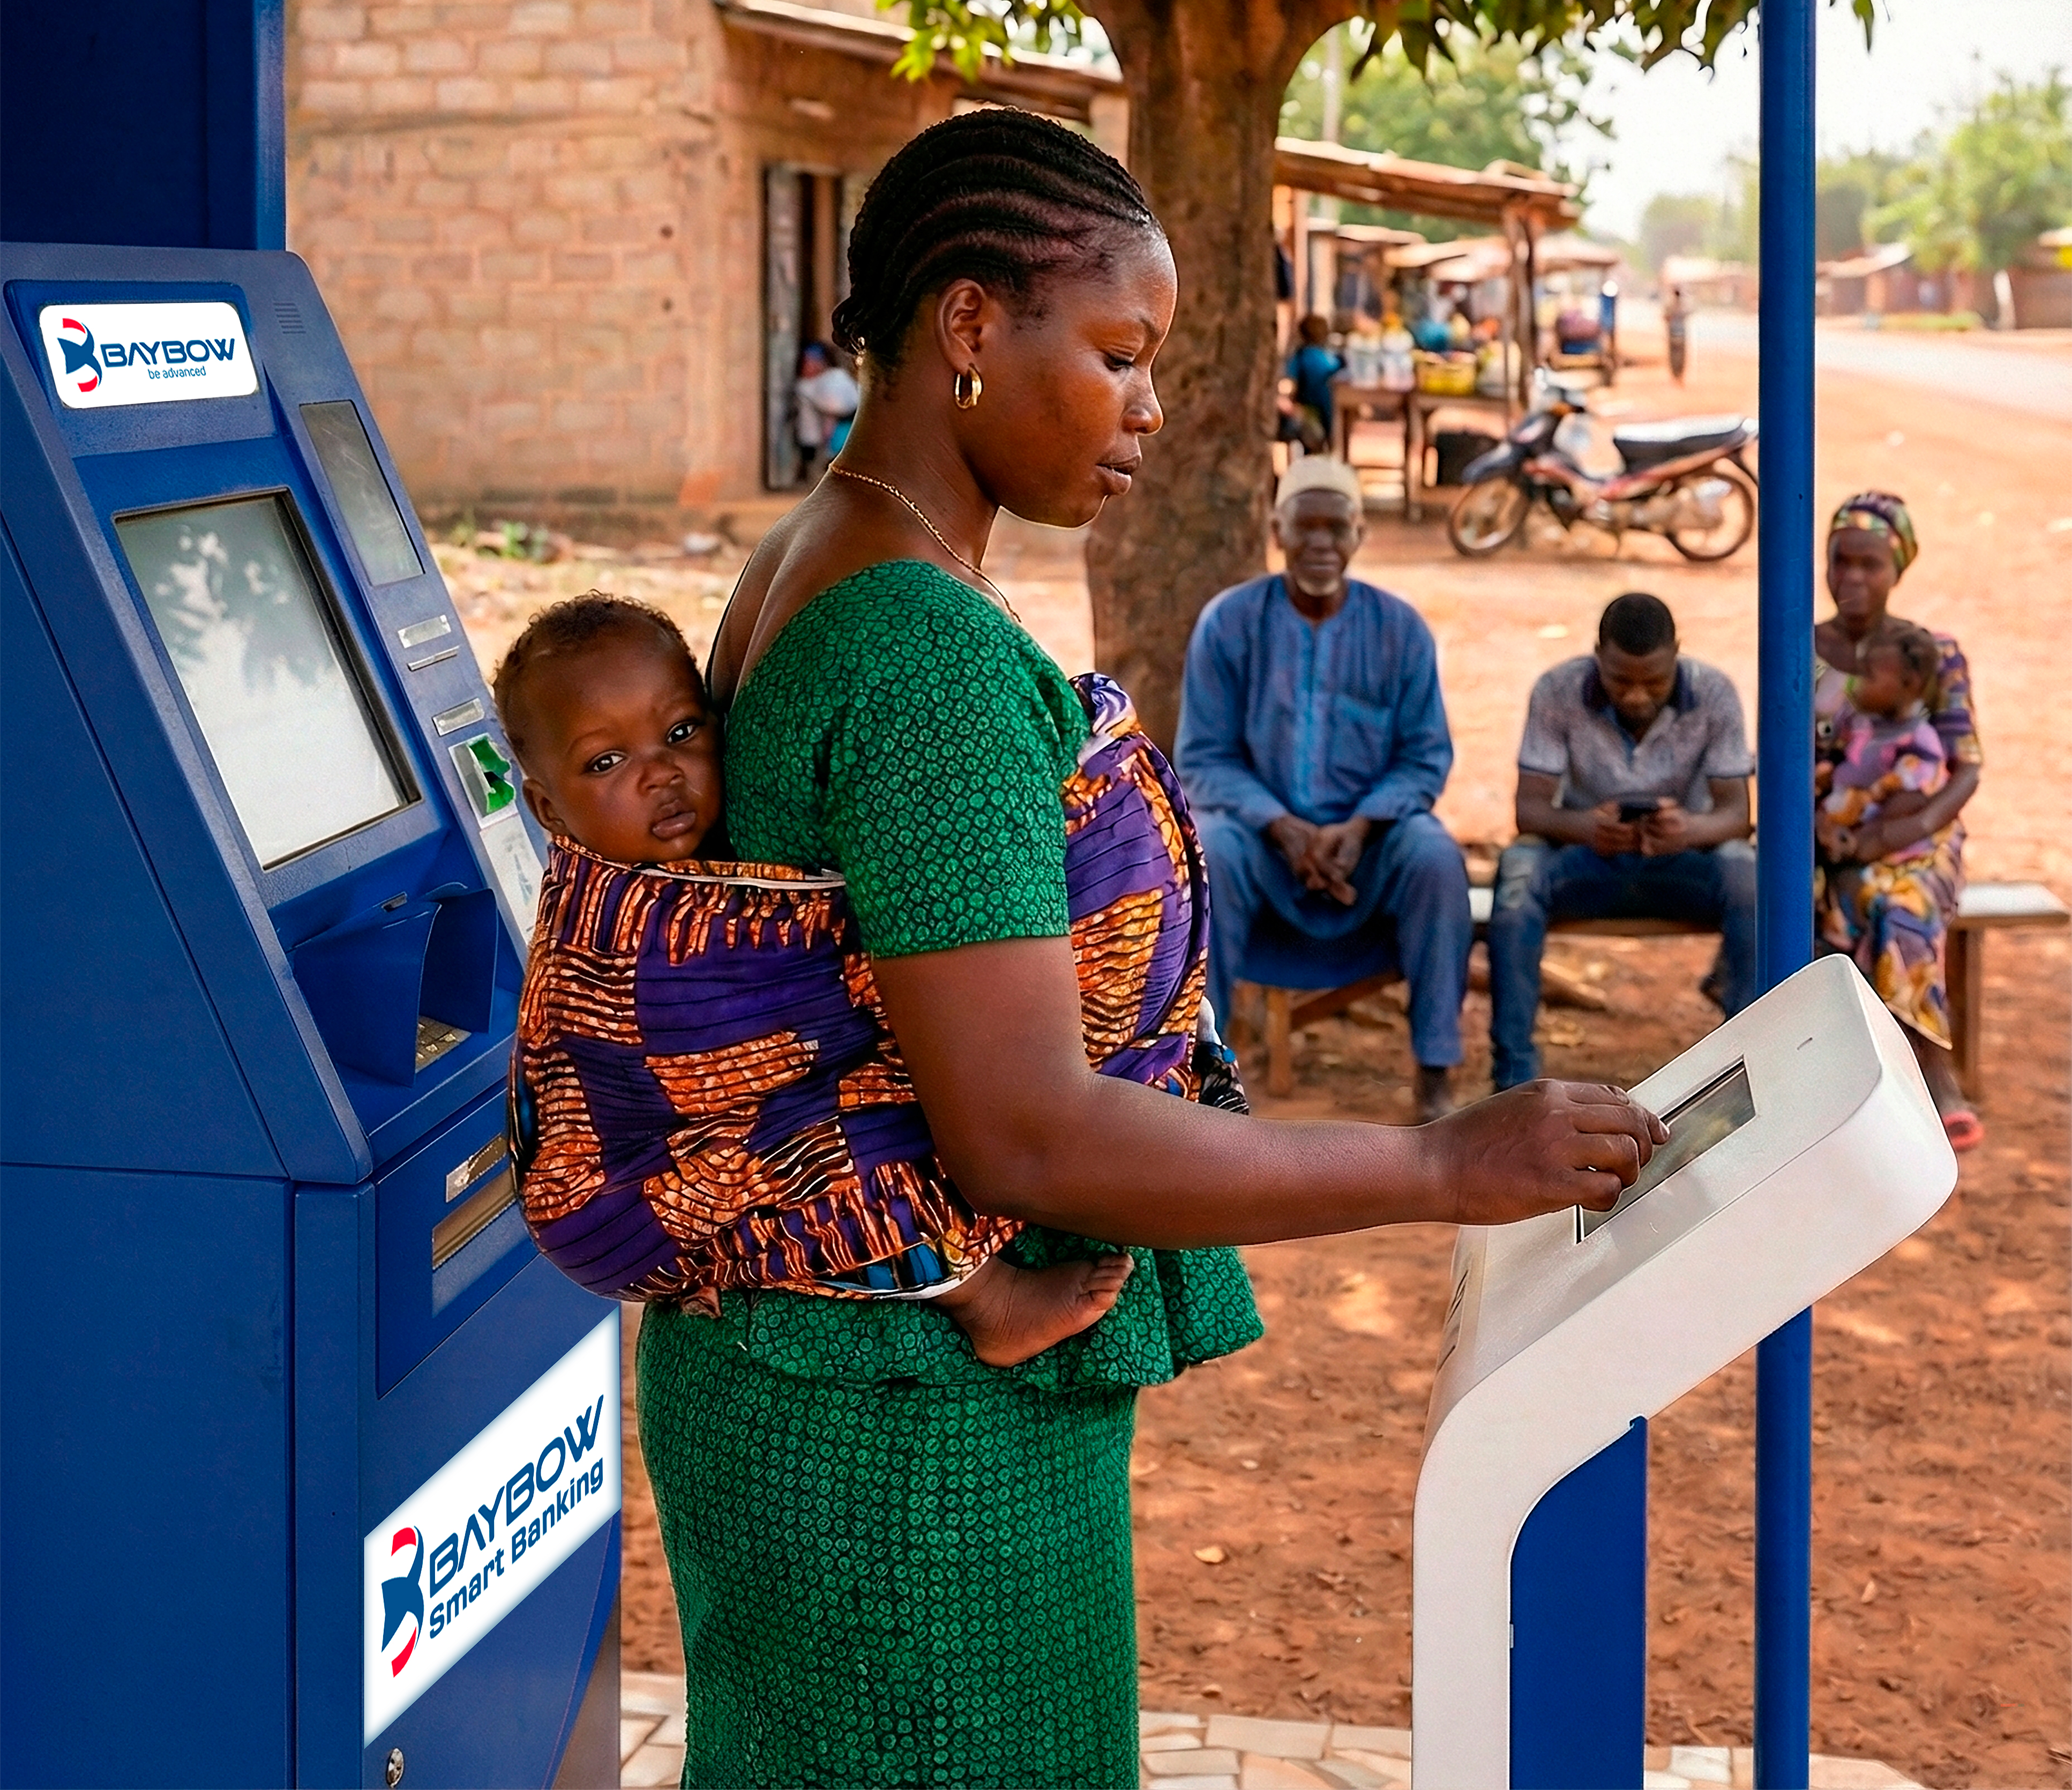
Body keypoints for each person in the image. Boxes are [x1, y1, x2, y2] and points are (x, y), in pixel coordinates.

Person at [638, 106, 1663, 1788]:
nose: (1152, 410)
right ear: (970, 323)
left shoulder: (815, 557)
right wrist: (1431, 1157)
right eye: (1119, 354)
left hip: (811, 1382)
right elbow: (1028, 1129)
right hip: (912, 1465)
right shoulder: (923, 657)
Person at [493, 590, 1133, 1366]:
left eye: (681, 730)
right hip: (620, 1184)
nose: (660, 773)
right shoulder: (606, 925)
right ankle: (983, 1297)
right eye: (605, 761)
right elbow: (636, 1051)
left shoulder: (719, 852)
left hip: (714, 1142)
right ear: (548, 811)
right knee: (837, 1157)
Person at [1176, 454, 1477, 1122]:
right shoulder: (1229, 624)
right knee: (1211, 853)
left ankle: (1435, 1071)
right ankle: (1205, 1072)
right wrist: (1282, 828)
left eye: (1335, 529)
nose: (1320, 545)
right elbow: (1204, 758)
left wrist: (1362, 825)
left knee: (1433, 858)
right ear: (1277, 530)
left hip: (1369, 852)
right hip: (1262, 851)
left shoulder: (1399, 630)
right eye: (1304, 529)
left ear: (1359, 535)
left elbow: (1425, 756)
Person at [1484, 592, 1757, 1093]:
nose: (1635, 695)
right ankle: (1513, 1077)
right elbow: (1530, 810)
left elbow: (1737, 815)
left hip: (1683, 861)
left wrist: (1687, 831)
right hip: (1587, 857)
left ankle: (1742, 1066)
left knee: (1749, 880)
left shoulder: (1714, 693)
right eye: (1620, 680)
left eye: (1653, 681)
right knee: (1517, 881)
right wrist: (1587, 827)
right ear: (1597, 655)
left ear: (1677, 654)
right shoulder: (1556, 689)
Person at [1814, 492, 1984, 1148]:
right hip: (1830, 831)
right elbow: (1789, 756)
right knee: (1801, 899)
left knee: (1899, 900)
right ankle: (1844, 1083)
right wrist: (1825, 830)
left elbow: (1965, 766)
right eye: (1840, 562)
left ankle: (1932, 1072)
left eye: (1870, 564)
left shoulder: (1928, 654)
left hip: (1917, 831)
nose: (1853, 578)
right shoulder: (1805, 650)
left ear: (1898, 568)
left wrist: (1897, 835)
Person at [1816, 620, 1947, 859]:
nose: (1855, 682)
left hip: (1888, 855)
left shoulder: (1917, 744)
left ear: (1909, 684)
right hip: (1837, 832)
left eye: (1868, 675)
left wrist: (1854, 842)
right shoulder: (1858, 720)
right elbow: (1824, 727)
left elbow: (1904, 806)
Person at [792, 340, 859, 477]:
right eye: (805, 363)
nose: (807, 367)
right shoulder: (809, 383)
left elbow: (835, 407)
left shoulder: (835, 379)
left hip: (833, 436)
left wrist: (828, 427)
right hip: (811, 437)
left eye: (811, 362)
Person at [1282, 311, 1344, 447]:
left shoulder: (1300, 356)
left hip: (1306, 410)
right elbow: (1338, 368)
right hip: (1324, 413)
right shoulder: (1326, 358)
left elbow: (1289, 380)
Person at [1665, 281, 1689, 383]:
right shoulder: (1684, 306)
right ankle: (1679, 375)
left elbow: (1665, 318)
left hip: (1673, 334)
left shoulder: (1670, 306)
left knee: (1674, 356)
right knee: (1681, 356)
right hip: (1681, 334)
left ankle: (1676, 375)